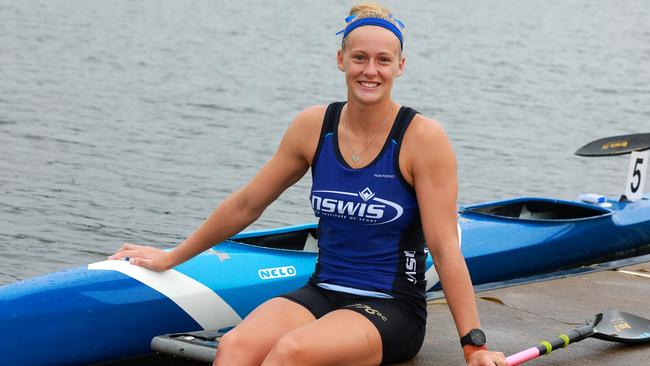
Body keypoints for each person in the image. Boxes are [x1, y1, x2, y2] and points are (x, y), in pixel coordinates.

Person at [110, 3, 507, 365]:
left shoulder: (423, 139)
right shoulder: (313, 127)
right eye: (360, 58)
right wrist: (172, 257)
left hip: (391, 307)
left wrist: (474, 345)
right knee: (235, 347)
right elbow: (247, 204)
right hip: (323, 291)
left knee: (291, 352)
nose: (371, 70)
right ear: (341, 60)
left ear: (400, 66)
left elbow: (443, 247)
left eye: (383, 60)